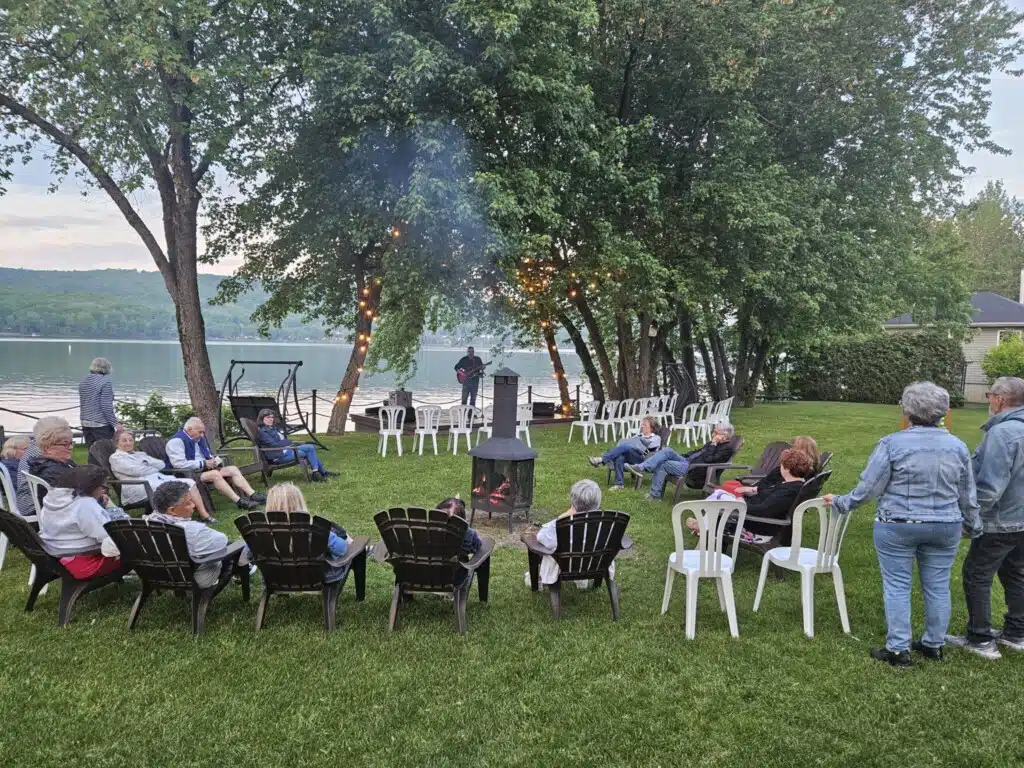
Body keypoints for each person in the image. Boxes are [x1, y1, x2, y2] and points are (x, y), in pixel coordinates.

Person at [823, 382, 981, 667]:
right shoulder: (957, 446)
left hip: (898, 524)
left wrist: (842, 502)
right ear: (943, 411)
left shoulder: (892, 444)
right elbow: (967, 493)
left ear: (907, 411)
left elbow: (869, 488)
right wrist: (972, 524)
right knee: (938, 586)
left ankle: (898, 649)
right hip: (946, 524)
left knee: (897, 585)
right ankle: (933, 644)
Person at [946, 376, 1024, 660]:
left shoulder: (1003, 433)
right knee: (1016, 574)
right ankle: (1017, 633)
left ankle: (980, 638)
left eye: (990, 394)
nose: (989, 399)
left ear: (1000, 400)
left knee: (977, 575)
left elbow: (990, 486)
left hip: (1000, 521)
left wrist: (970, 519)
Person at [692, 448, 815, 544]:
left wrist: (742, 502)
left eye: (782, 465)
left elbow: (763, 510)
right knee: (720, 495)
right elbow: (765, 497)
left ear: (787, 469)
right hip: (757, 519)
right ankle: (703, 525)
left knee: (720, 498)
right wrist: (747, 494)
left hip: (757, 528)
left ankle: (703, 527)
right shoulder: (791, 484)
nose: (780, 467)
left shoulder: (788, 490)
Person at [145, 481, 247, 589]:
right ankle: (246, 568)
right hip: (191, 578)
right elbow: (221, 540)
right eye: (188, 503)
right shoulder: (190, 530)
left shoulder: (145, 523)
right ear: (172, 510)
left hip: (157, 575)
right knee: (234, 547)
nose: (193, 505)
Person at [38, 465, 129, 579]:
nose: (104, 491)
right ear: (91, 486)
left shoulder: (53, 498)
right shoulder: (85, 504)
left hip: (57, 557)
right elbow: (108, 536)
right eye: (103, 487)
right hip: (85, 564)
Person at [109, 430, 216, 523]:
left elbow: (161, 464)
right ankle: (179, 517)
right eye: (124, 440)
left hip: (155, 481)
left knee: (189, 482)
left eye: (130, 440)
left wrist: (146, 465)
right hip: (139, 487)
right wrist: (149, 466)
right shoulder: (116, 458)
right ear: (117, 443)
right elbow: (136, 471)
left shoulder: (140, 455)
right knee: (172, 488)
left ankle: (203, 515)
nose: (128, 443)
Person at [166, 417, 264, 511]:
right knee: (215, 474)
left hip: (205, 470)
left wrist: (213, 461)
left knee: (233, 469)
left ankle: (253, 495)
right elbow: (179, 464)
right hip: (189, 474)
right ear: (190, 429)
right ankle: (239, 502)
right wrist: (203, 463)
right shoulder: (176, 441)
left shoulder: (198, 439)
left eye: (203, 432)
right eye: (200, 432)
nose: (202, 435)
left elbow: (207, 454)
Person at [263, 482, 350, 583]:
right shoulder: (315, 530)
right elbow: (341, 549)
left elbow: (250, 553)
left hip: (277, 580)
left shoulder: (261, 533)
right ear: (299, 504)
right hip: (315, 579)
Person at [626, 423, 736, 501]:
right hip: (688, 461)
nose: (713, 434)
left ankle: (654, 494)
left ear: (724, 435)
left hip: (694, 468)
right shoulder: (712, 443)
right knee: (668, 451)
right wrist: (684, 456)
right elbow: (698, 452)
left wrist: (713, 444)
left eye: (715, 432)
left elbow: (708, 460)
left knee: (663, 464)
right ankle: (642, 467)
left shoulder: (726, 449)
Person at [535, 479, 606, 586]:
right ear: (598, 501)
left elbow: (541, 537)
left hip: (566, 565)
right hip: (594, 564)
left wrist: (561, 517)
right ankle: (583, 581)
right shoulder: (606, 523)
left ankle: (535, 579)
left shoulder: (563, 525)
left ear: (573, 501)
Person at [717, 435, 821, 497]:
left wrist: (751, 489)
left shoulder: (796, 470)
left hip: (761, 493)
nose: (790, 449)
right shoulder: (802, 467)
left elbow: (777, 488)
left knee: (726, 489)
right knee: (730, 484)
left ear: (801, 450)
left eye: (793, 447)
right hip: (762, 488)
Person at [255, 409, 337, 483]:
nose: (271, 419)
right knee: (306, 452)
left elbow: (281, 442)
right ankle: (320, 473)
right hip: (278, 456)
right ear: (262, 419)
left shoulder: (271, 428)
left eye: (272, 417)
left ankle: (319, 472)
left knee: (310, 447)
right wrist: (288, 442)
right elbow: (274, 445)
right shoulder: (263, 432)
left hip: (285, 450)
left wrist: (286, 442)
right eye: (268, 417)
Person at [17, 416, 77, 517]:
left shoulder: (37, 448)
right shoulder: (42, 455)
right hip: (35, 506)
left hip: (35, 501)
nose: (70, 447)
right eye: (65, 443)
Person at [589, 416, 662, 490]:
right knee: (620, 456)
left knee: (627, 447)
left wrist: (641, 440)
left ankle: (601, 459)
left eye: (645, 425)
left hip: (643, 459)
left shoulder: (656, 438)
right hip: (631, 456)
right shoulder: (639, 435)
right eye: (642, 424)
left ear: (651, 427)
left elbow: (651, 446)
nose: (642, 426)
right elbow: (630, 442)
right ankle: (619, 484)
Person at [79, 357, 120, 447]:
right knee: (106, 451)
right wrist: (116, 424)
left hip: (85, 421)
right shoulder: (106, 382)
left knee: (92, 450)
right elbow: (106, 406)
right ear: (107, 368)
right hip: (101, 424)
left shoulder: (84, 381)